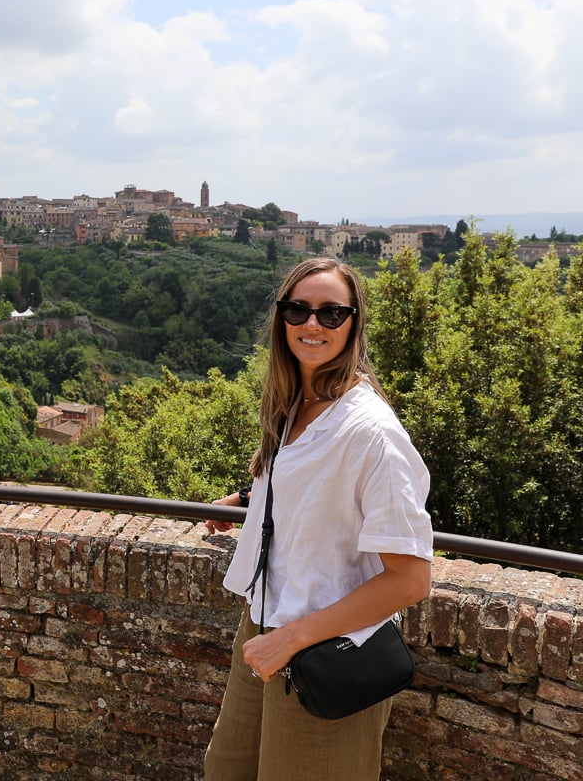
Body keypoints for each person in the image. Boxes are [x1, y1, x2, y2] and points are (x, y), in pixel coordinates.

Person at [203, 257, 434, 780]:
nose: (312, 324)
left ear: (353, 323)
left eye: (331, 313)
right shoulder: (296, 401)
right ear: (281, 319)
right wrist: (248, 500)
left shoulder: (372, 433)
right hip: (264, 622)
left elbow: (411, 578)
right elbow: (315, 486)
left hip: (326, 649)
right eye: (298, 310)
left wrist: (293, 638)